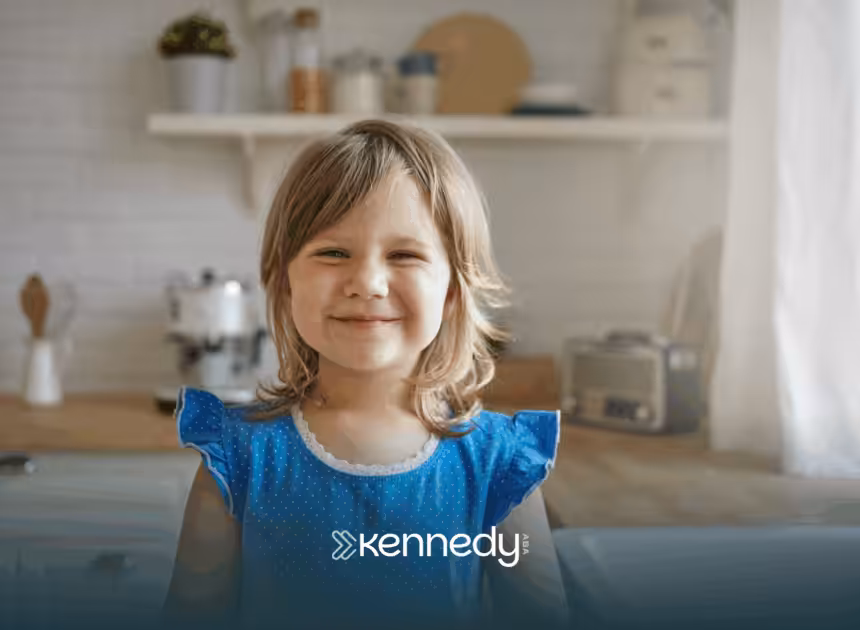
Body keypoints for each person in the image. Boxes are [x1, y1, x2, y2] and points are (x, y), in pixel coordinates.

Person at [163, 120, 569, 630]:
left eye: (403, 255)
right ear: (286, 284)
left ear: (450, 291)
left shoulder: (499, 466)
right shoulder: (236, 457)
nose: (368, 283)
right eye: (333, 253)